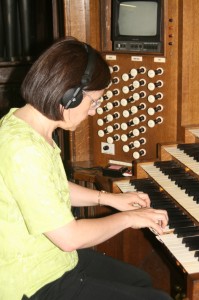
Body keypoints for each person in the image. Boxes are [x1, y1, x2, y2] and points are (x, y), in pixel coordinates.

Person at [0, 37, 173, 300]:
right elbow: (69, 238)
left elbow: (53, 186)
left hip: (55, 258)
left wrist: (110, 199)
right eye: (93, 101)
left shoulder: (27, 124)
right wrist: (129, 218)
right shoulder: (23, 149)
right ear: (69, 95)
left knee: (140, 280)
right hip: (32, 282)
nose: (94, 111)